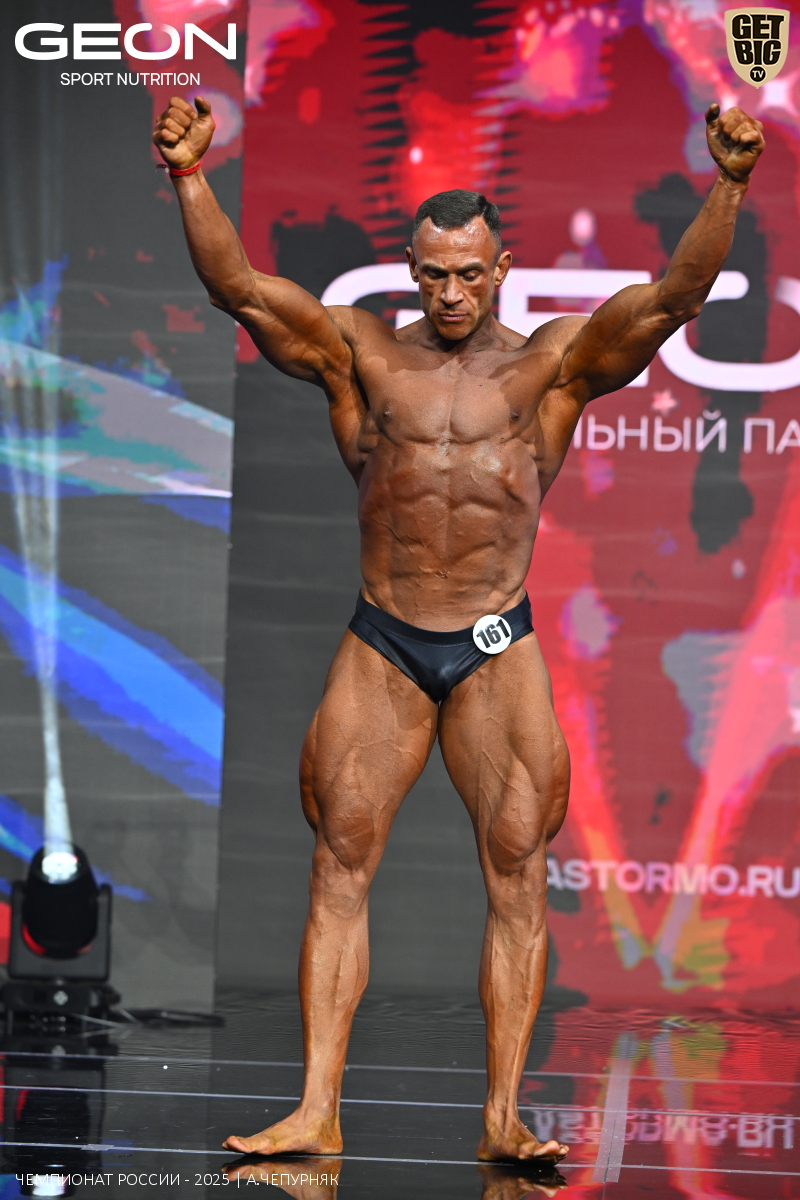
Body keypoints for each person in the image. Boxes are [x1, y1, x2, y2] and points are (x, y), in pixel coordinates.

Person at [153, 98, 764, 1162]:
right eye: (432, 274)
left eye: (469, 274)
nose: (449, 293)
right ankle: (315, 1108)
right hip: (384, 639)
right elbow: (238, 288)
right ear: (410, 270)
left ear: (501, 270)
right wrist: (189, 176)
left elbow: (672, 299)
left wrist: (730, 182)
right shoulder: (361, 355)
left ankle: (500, 1119)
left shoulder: (550, 367)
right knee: (338, 867)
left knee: (517, 875)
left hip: (493, 645)